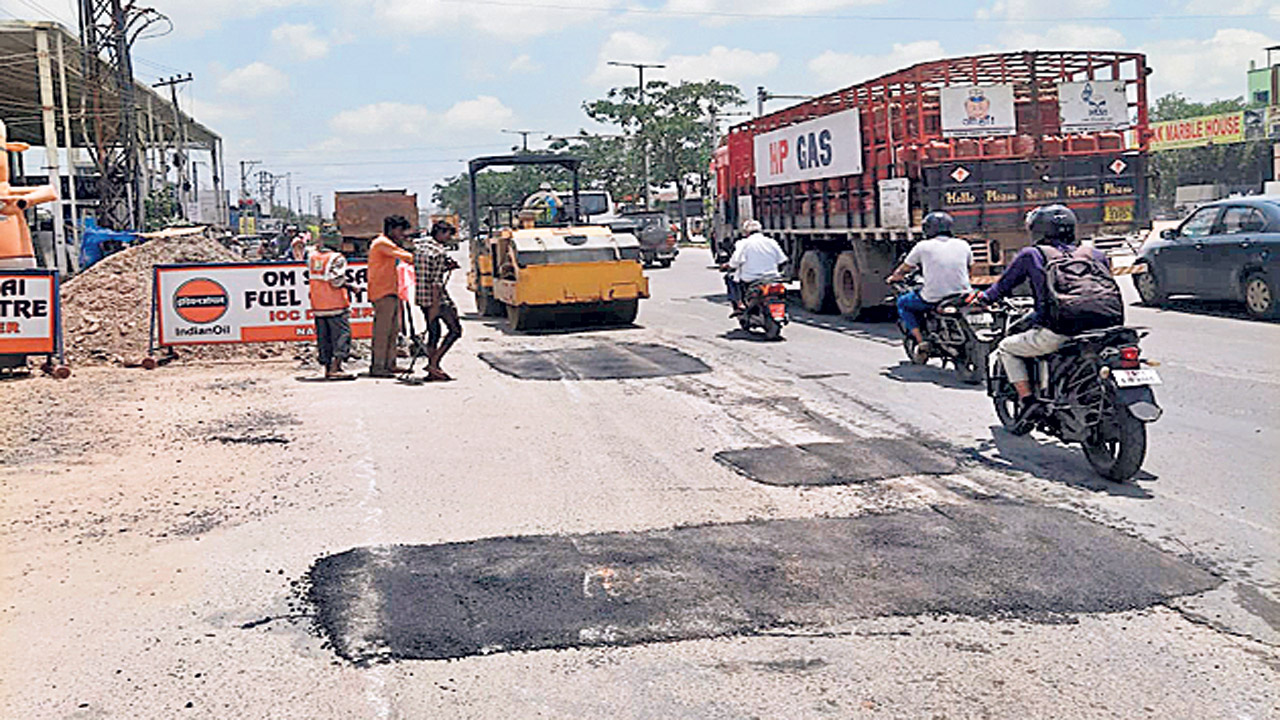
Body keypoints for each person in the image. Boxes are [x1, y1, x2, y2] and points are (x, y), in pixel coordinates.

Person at [975, 204, 1112, 423]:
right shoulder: (1095, 253)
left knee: (1006, 348)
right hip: (1108, 328)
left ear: (1038, 230)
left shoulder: (1032, 255)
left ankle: (1029, 402)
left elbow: (1002, 287)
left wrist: (982, 299)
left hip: (1061, 329)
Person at [886, 211, 973, 362]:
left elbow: (905, 268)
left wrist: (894, 277)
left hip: (933, 296)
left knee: (903, 303)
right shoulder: (963, 244)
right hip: (963, 294)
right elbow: (969, 267)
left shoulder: (922, 246)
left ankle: (921, 342)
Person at [414, 221, 463, 381]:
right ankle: (434, 364)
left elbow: (426, 271)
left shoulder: (419, 246)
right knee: (455, 330)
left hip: (421, 297)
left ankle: (432, 368)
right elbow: (435, 283)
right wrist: (435, 306)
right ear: (440, 233)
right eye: (448, 234)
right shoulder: (438, 252)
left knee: (433, 332)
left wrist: (445, 268)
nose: (449, 238)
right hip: (436, 299)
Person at [368, 215, 414, 377]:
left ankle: (390, 363)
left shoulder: (387, 244)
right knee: (382, 332)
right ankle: (378, 366)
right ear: (392, 229)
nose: (402, 234)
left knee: (393, 331)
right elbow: (406, 256)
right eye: (401, 230)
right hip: (382, 292)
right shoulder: (382, 243)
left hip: (391, 291)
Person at [307, 234, 352, 379]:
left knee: (324, 337)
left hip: (318, 304)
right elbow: (336, 280)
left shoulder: (313, 257)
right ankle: (336, 367)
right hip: (335, 304)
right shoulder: (337, 258)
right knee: (341, 336)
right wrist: (352, 287)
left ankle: (327, 368)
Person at [721, 219, 787, 316]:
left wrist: (726, 265)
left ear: (746, 232)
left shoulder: (743, 243)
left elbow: (735, 262)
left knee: (730, 278)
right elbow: (782, 259)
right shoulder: (771, 242)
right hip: (772, 277)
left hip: (751, 278)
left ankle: (740, 304)